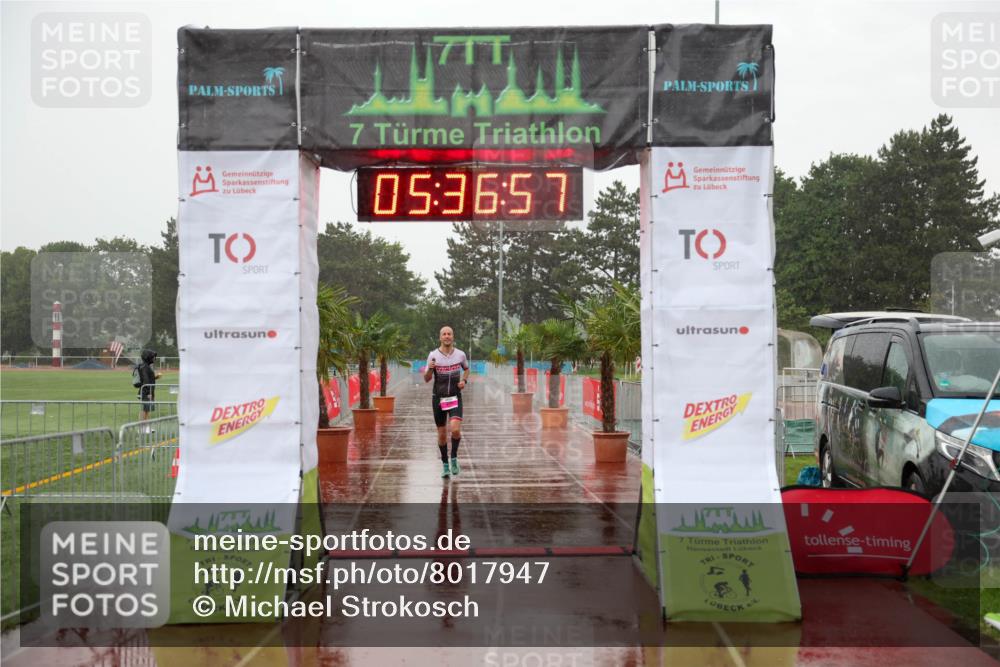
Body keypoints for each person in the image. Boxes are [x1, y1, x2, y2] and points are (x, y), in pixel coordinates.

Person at [424, 326, 470, 478]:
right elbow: (426, 379)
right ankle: (445, 464)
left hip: (455, 396)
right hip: (438, 398)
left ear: (453, 336)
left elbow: (466, 369)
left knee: (455, 429)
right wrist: (430, 369)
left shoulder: (460, 354)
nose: (447, 336)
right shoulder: (433, 355)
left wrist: (464, 380)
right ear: (440, 337)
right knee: (442, 434)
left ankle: (454, 457)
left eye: (449, 334)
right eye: (444, 334)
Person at [137, 349, 163, 422]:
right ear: (147, 357)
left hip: (148, 391)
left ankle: (145, 426)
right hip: (146, 392)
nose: (154, 358)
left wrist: (156, 377)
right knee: (144, 410)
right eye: (152, 357)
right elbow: (146, 380)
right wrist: (149, 392)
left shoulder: (146, 366)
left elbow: (148, 379)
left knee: (147, 410)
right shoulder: (144, 367)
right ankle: (142, 427)